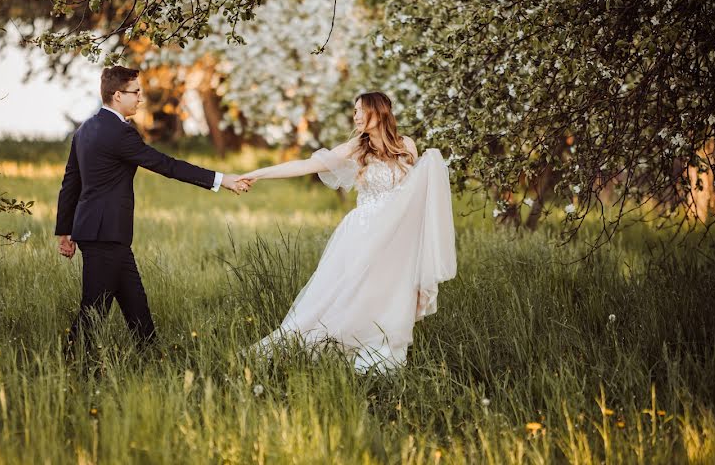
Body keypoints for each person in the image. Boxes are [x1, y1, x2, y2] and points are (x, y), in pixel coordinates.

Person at [241, 91, 457, 372]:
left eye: (360, 110)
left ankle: (385, 356)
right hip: (362, 236)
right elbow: (307, 165)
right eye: (353, 111)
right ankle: (331, 347)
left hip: (397, 241)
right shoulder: (356, 149)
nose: (355, 116)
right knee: (347, 295)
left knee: (390, 296)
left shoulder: (408, 147)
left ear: (379, 112)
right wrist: (258, 174)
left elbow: (417, 197)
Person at [55, 65, 251, 356]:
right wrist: (222, 180)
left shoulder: (85, 130)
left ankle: (153, 356)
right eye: (136, 93)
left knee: (135, 302)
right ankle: (70, 363)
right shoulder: (119, 134)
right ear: (117, 95)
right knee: (94, 310)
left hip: (104, 233)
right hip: (105, 235)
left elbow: (71, 181)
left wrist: (65, 230)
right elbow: (166, 165)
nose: (141, 99)